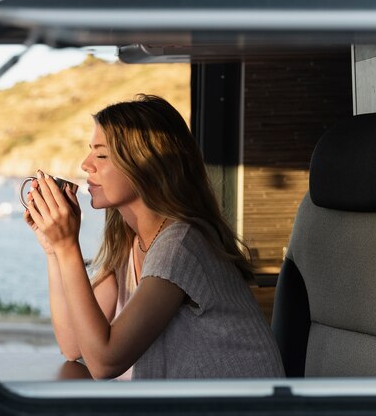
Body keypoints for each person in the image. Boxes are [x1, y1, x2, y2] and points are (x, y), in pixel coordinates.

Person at [23, 94, 285, 380]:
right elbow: (74, 345)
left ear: (146, 165)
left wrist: (67, 246)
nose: (86, 164)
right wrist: (53, 250)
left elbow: (104, 362)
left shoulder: (181, 246)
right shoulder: (131, 242)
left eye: (101, 154)